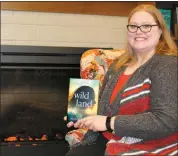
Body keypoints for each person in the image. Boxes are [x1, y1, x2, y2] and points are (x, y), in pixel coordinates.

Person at [64, 4, 178, 156]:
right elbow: (104, 108)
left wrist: (108, 122)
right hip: (108, 137)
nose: (139, 31)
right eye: (133, 26)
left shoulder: (167, 65)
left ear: (160, 30)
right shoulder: (118, 66)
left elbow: (166, 120)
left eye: (146, 26)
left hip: (148, 142)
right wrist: (81, 116)